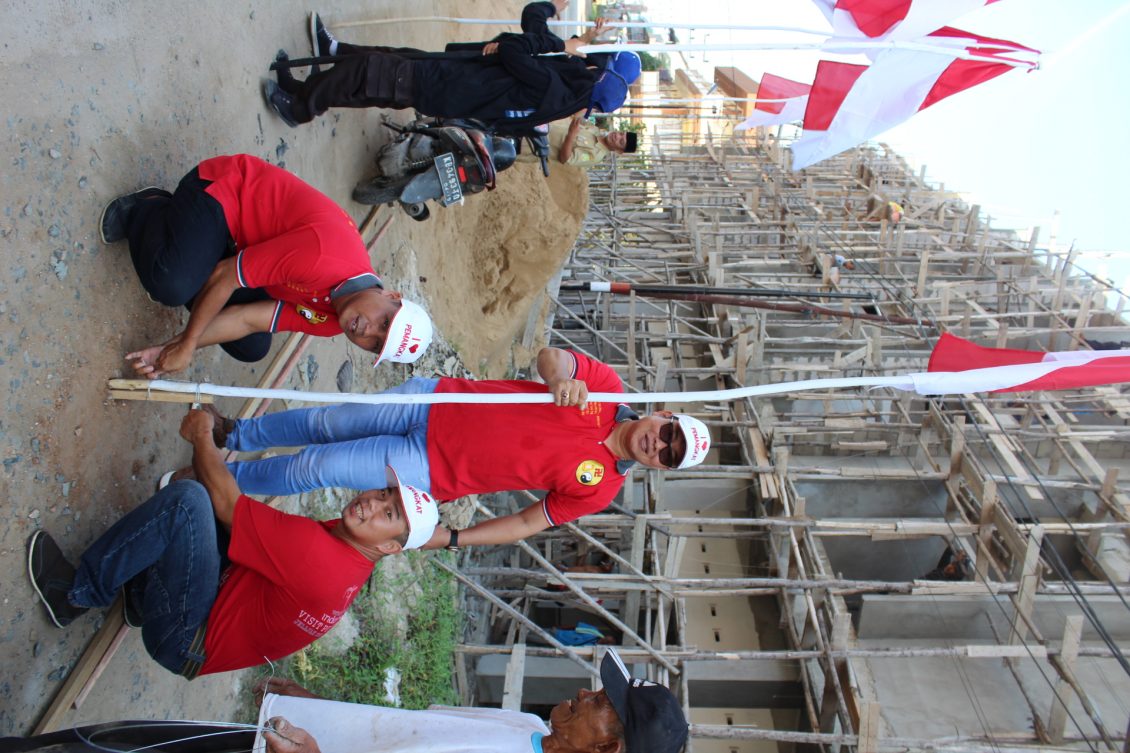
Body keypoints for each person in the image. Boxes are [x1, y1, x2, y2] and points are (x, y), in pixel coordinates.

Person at [26, 407, 439, 679]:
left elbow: (227, 503)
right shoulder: (355, 557)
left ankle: (75, 595)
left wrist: (202, 436)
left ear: (390, 548)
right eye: (384, 494)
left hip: (183, 640)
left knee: (190, 504)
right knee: (220, 520)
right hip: (209, 624)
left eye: (388, 514)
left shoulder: (321, 557)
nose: (372, 502)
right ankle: (140, 594)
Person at [170, 347, 712, 549]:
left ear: (657, 467)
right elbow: (551, 358)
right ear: (663, 414)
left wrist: (456, 538)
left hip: (429, 467)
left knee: (319, 467)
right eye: (668, 432)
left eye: (667, 454)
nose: (658, 444)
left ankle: (214, 483)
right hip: (437, 401)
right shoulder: (603, 389)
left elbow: (526, 523)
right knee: (327, 422)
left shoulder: (601, 489)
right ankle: (234, 436)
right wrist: (560, 380)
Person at [101, 153, 434, 378]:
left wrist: (170, 347)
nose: (367, 331)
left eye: (375, 344)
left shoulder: (336, 319)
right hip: (224, 193)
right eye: (384, 321)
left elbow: (248, 319)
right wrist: (188, 344)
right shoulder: (324, 257)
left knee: (252, 346)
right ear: (391, 295)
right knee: (171, 283)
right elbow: (227, 276)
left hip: (244, 250)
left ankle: (187, 253)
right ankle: (147, 209)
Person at [0, 650, 688, 753]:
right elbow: (413, 728)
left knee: (111, 745)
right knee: (119, 737)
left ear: (611, 746)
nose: (580, 690)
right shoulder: (530, 730)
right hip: (291, 732)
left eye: (599, 700)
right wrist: (321, 701)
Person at [264, 2, 639, 132]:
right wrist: (552, 15)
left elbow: (513, 51)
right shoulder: (562, 89)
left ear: (593, 74)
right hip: (456, 85)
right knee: (377, 79)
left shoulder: (554, 87)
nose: (587, 60)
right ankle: (304, 90)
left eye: (594, 61)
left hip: (452, 86)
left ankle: (301, 109)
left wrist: (561, 44)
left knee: (373, 74)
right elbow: (528, 33)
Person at [520, 114, 638, 167]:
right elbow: (577, 117)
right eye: (621, 134)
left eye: (621, 142)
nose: (617, 137)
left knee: (503, 145)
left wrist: (571, 135)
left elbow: (565, 159)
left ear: (619, 151)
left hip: (531, 147)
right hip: (536, 127)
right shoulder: (595, 129)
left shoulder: (595, 156)